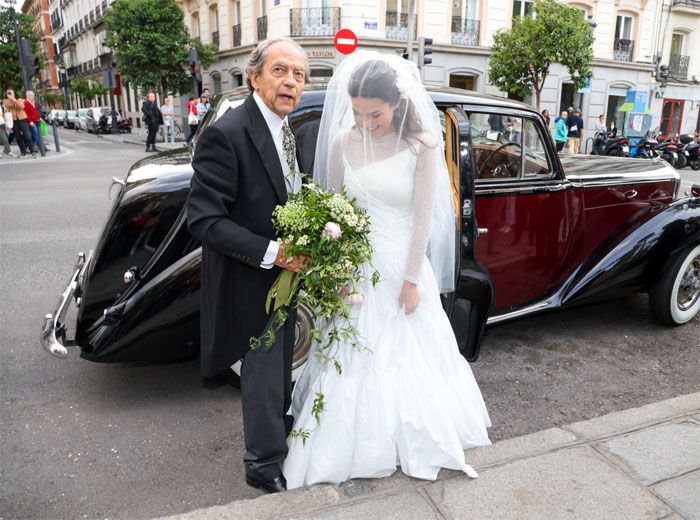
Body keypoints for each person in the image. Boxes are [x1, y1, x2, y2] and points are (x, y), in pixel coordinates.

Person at [283, 52, 491, 489]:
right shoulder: (342, 143)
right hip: (357, 267)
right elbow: (333, 211)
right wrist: (337, 267)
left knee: (409, 352)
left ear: (396, 103)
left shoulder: (422, 146)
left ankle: (407, 438)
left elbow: (422, 220)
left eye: (374, 113)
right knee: (353, 352)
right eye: (357, 112)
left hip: (403, 262)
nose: (365, 121)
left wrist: (412, 280)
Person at [186, 37, 310, 494]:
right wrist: (275, 252)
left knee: (278, 370)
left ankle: (277, 441)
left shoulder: (286, 130)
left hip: (283, 277)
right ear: (254, 77)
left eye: (299, 74)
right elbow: (204, 220)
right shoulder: (228, 132)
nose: (291, 82)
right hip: (248, 278)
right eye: (281, 71)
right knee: (259, 375)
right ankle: (261, 465)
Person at [3, 89, 34, 158]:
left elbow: (21, 106)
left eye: (12, 93)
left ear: (14, 94)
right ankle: (23, 153)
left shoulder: (19, 100)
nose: (11, 94)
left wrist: (13, 99)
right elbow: (9, 105)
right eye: (9, 93)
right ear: (6, 94)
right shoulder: (6, 101)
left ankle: (32, 152)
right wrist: (11, 99)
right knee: (18, 138)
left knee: (27, 136)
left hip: (22, 119)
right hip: (14, 120)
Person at [24, 91, 46, 157]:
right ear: (27, 96)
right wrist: (30, 121)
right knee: (36, 134)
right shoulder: (26, 103)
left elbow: (35, 112)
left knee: (33, 136)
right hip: (30, 123)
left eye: (33, 95)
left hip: (35, 122)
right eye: (31, 95)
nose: (33, 97)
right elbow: (26, 114)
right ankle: (42, 147)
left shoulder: (33, 103)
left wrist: (40, 118)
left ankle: (30, 148)